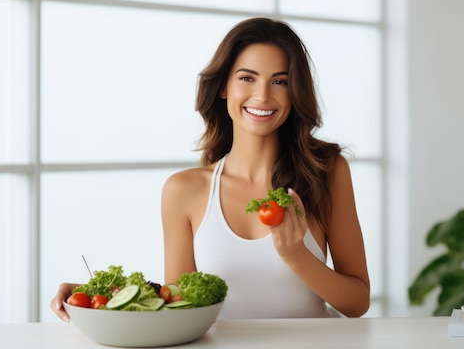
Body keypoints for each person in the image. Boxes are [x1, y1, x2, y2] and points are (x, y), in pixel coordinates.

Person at [51, 17, 370, 321]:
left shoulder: (326, 171)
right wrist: (96, 295)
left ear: (295, 91)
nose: (262, 95)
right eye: (247, 78)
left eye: (280, 82)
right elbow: (176, 301)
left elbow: (357, 303)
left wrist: (296, 255)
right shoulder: (183, 191)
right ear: (223, 87)